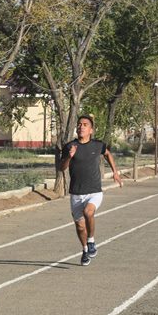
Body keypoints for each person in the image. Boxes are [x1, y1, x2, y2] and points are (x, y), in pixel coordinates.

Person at [60, 114, 122, 266]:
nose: (81, 127)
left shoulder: (98, 145)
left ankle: (91, 241)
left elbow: (107, 154)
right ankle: (85, 249)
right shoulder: (70, 146)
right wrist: (69, 156)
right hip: (76, 193)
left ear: (91, 130)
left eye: (85, 124)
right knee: (80, 226)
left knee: (89, 212)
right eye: (79, 124)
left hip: (94, 191)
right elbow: (61, 167)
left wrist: (115, 172)